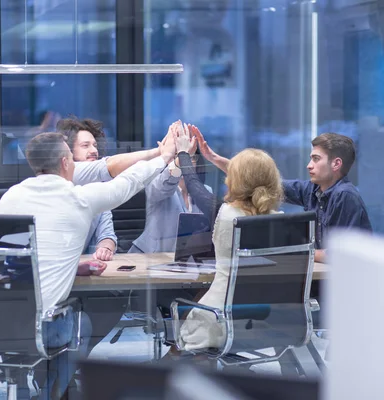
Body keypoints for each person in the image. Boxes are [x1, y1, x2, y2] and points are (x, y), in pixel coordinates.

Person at [0, 131, 176, 399]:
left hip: (1, 319)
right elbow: (129, 181)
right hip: (46, 326)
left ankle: (31, 388)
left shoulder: (10, 198)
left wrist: (71, 266)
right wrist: (165, 156)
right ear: (66, 163)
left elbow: (19, 260)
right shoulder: (78, 199)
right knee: (82, 323)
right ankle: (52, 393)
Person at [174, 125, 284, 350]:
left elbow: (194, 186)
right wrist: (213, 157)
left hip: (219, 320)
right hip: (266, 321)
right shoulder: (279, 221)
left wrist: (183, 153)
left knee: (191, 302)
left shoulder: (225, 214)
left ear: (234, 179)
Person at [193, 130, 372, 263]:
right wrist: (215, 159)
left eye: (316, 159)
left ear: (336, 164)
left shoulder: (345, 196)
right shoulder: (314, 190)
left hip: (347, 287)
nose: (309, 165)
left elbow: (340, 256)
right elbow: (259, 180)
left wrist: (294, 251)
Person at [130, 121, 212, 253]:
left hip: (185, 261)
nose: (186, 162)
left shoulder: (206, 190)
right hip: (150, 258)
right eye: (177, 156)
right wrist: (182, 156)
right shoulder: (156, 182)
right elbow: (165, 184)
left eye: (191, 157)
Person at [56, 116, 116, 260]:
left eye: (95, 145)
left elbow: (107, 234)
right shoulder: (59, 187)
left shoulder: (99, 188)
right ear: (68, 151)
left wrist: (105, 248)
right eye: (85, 145)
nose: (94, 150)